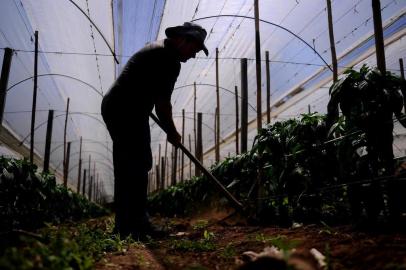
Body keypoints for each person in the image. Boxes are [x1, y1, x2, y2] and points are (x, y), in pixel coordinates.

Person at [101, 22, 208, 238]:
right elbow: (162, 104)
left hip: (123, 107)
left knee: (132, 164)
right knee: (136, 163)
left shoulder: (159, 50)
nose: (194, 56)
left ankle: (127, 225)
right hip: (125, 109)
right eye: (195, 50)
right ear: (184, 40)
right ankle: (135, 225)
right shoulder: (167, 59)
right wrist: (172, 132)